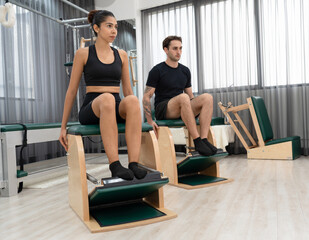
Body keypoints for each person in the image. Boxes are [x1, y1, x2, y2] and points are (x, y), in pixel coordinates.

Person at [59, 10, 147, 180]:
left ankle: (133, 164)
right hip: (92, 107)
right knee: (106, 98)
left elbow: (127, 91)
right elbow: (71, 91)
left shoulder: (121, 55)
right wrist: (63, 127)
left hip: (114, 105)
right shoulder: (83, 54)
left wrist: (137, 115)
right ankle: (115, 165)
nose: (114, 30)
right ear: (96, 28)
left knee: (132, 99)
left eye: (115, 27)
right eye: (109, 26)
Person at [143, 36, 217, 156]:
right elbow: (146, 97)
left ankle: (203, 140)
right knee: (183, 97)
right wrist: (149, 120)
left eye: (180, 48)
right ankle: (197, 141)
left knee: (207, 97)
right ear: (166, 50)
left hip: (183, 105)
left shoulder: (185, 71)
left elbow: (190, 96)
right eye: (175, 48)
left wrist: (195, 109)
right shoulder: (157, 70)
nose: (179, 52)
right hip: (164, 108)